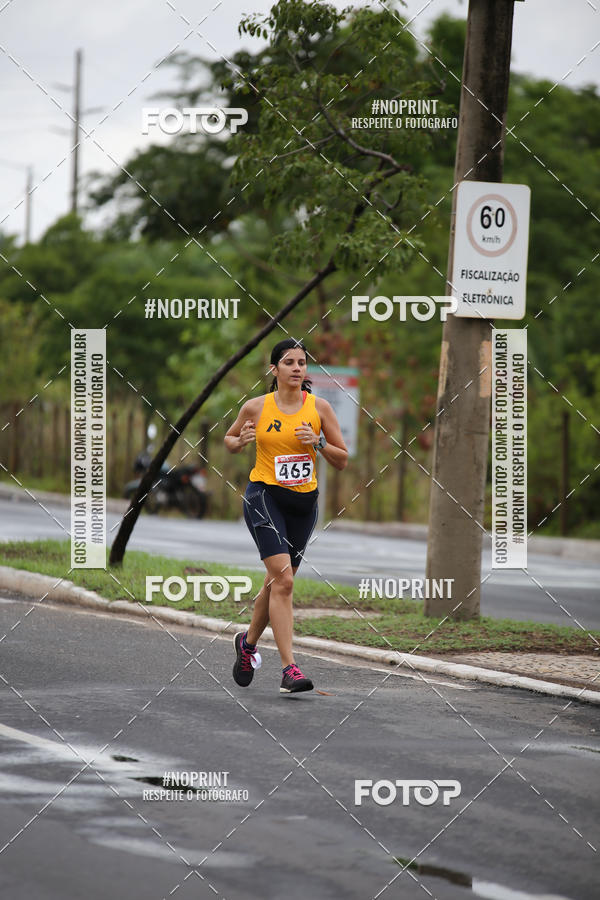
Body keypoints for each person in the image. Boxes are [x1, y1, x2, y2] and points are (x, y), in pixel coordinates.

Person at [224, 338, 348, 693]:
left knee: (277, 582)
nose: (297, 368)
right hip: (265, 496)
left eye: (302, 363)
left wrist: (318, 443)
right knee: (285, 581)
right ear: (274, 369)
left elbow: (341, 459)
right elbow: (229, 440)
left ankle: (246, 645)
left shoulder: (319, 408)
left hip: (304, 505)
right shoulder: (255, 408)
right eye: (290, 362)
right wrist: (241, 440)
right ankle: (288, 669)